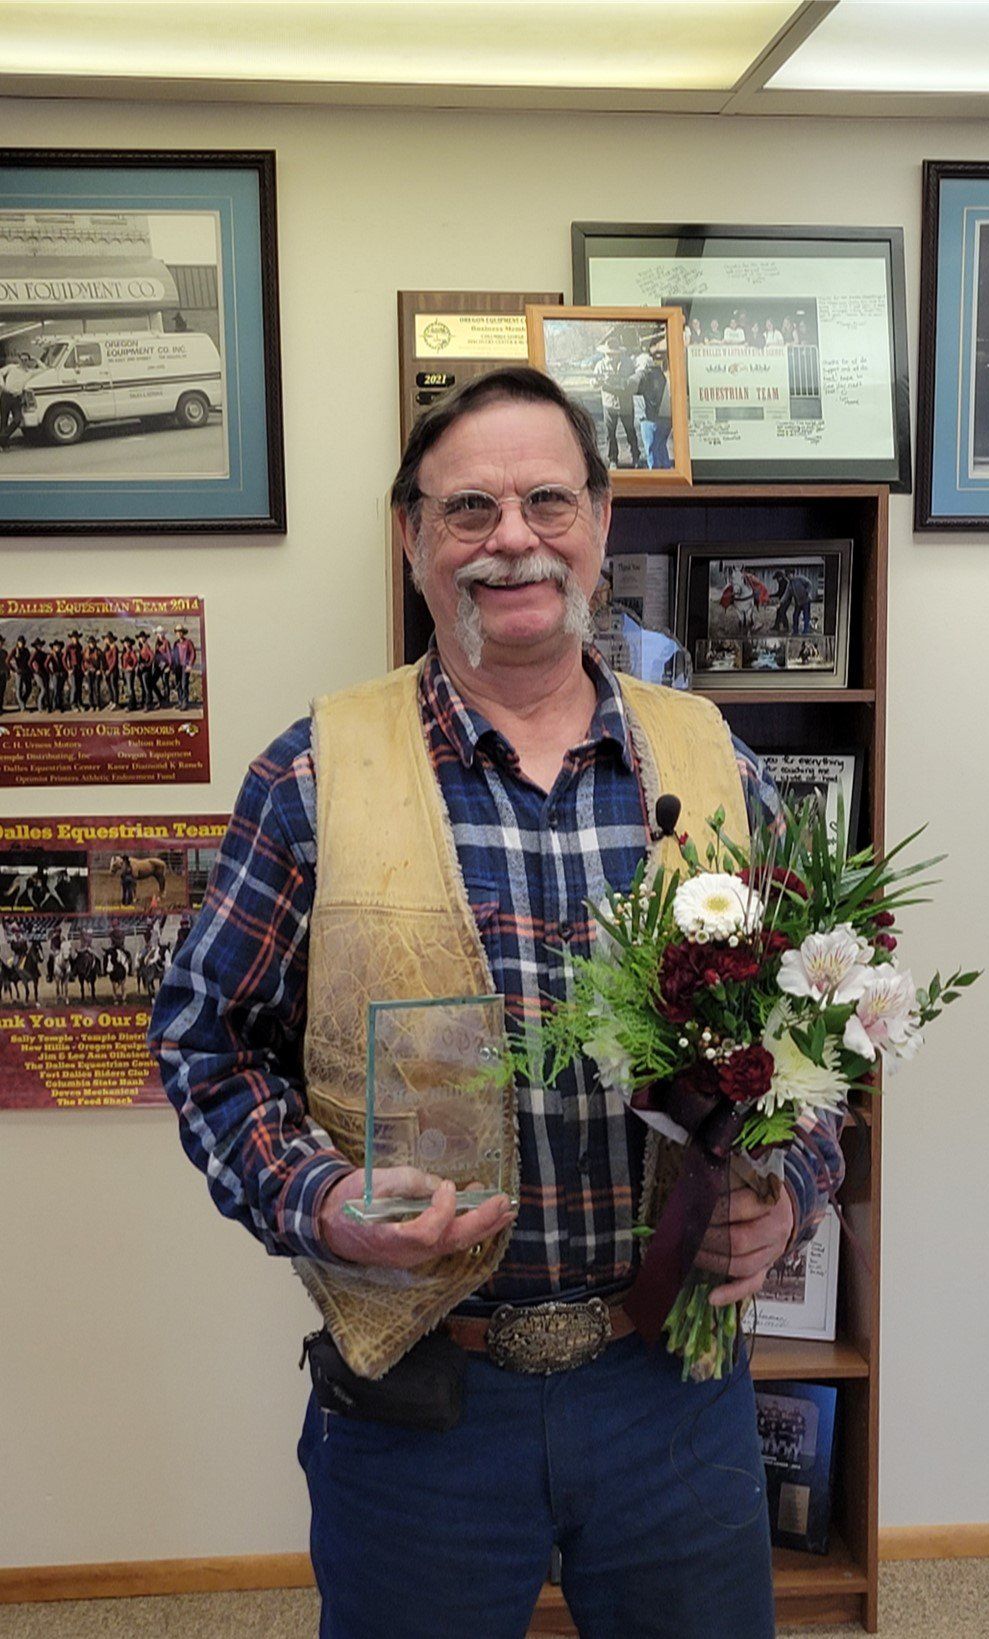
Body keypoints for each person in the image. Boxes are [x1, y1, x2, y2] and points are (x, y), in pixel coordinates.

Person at [149, 367, 843, 1639]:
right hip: (422, 1403)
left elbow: (815, 1036)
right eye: (467, 508)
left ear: (600, 523)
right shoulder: (310, 776)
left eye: (544, 500)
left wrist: (791, 1183)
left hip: (673, 1395)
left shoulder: (716, 761)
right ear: (412, 537)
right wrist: (315, 1199)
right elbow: (205, 1037)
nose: (510, 537)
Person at [592, 338, 641, 470]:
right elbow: (594, 383)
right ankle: (613, 460)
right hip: (609, 405)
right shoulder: (600, 365)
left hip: (626, 404)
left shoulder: (628, 363)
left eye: (614, 353)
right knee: (610, 434)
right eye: (609, 353)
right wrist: (597, 382)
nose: (611, 356)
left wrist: (623, 382)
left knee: (631, 432)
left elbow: (634, 379)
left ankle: (636, 457)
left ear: (619, 353)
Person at [629, 351, 673, 471]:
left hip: (650, 419)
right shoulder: (660, 374)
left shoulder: (643, 375)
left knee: (651, 451)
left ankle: (656, 478)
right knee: (661, 448)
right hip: (666, 418)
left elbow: (629, 385)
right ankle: (668, 475)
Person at [0, 351, 36, 450]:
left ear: (28, 361)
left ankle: (1, 438)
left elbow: (44, 370)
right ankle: (5, 445)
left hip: (17, 398)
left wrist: (35, 359)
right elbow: (0, 372)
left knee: (17, 419)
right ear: (19, 360)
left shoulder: (29, 373)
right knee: (4, 420)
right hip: (6, 395)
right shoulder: (12, 367)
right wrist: (2, 385)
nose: (24, 362)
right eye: (22, 359)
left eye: (26, 360)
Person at [171, 623, 197, 710]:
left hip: (185, 667)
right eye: (177, 632)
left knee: (184, 684)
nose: (179, 634)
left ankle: (185, 703)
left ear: (183, 633)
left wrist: (190, 665)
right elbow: (173, 655)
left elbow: (193, 653)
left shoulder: (188, 642)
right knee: (178, 684)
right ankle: (180, 702)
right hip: (178, 667)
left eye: (180, 632)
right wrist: (173, 666)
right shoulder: (175, 643)